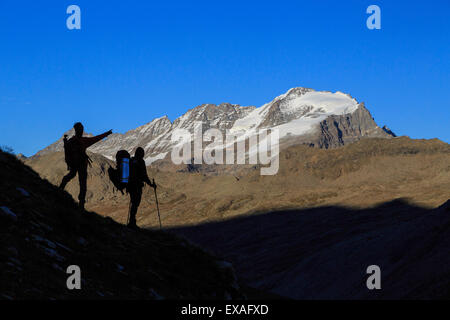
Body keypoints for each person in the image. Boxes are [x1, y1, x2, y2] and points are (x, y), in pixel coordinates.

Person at [59, 122, 112, 210]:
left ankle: (63, 189)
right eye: (81, 129)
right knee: (82, 183)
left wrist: (106, 133)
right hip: (80, 165)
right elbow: (96, 138)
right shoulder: (81, 141)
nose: (82, 130)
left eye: (82, 129)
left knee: (76, 178)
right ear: (77, 130)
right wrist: (107, 134)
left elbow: (96, 138)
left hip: (77, 165)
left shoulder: (73, 141)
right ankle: (81, 204)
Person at [127, 147, 156, 229]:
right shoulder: (141, 162)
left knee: (134, 203)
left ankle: (131, 221)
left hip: (130, 186)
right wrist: (151, 184)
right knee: (136, 203)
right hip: (137, 186)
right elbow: (144, 176)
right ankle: (132, 222)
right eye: (142, 153)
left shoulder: (131, 161)